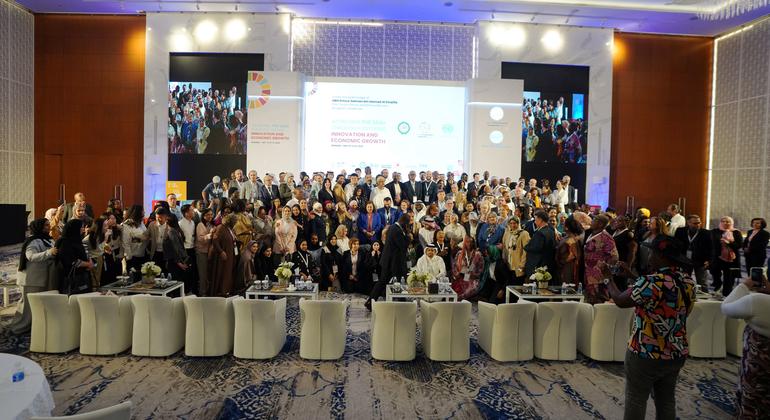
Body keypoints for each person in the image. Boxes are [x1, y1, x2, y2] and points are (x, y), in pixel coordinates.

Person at [602, 235, 695, 420]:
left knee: (636, 398)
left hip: (645, 351)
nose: (649, 255)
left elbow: (620, 301)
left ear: (660, 255)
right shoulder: (687, 281)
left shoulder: (652, 282)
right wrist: (632, 276)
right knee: (666, 399)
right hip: (676, 350)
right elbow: (673, 302)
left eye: (652, 251)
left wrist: (608, 279)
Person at [720, 273, 770, 418]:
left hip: (758, 374)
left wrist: (745, 285)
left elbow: (726, 307)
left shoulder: (758, 301)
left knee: (753, 407)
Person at [8, 219, 58, 334]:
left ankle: (31, 327)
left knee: (37, 305)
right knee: (27, 306)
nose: (48, 226)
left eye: (48, 224)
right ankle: (17, 328)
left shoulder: (47, 239)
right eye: (46, 225)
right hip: (30, 278)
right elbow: (30, 256)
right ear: (39, 227)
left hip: (41, 277)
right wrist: (49, 253)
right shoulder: (33, 241)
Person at [367, 214, 410, 310]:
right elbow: (403, 246)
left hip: (391, 261)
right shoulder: (397, 230)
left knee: (389, 281)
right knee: (392, 281)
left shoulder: (393, 228)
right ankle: (370, 301)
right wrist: (408, 236)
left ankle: (371, 301)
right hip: (392, 263)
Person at [583, 214, 619, 304]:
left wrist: (603, 267)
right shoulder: (591, 233)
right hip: (588, 271)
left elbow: (614, 256)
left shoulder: (606, 237)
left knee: (599, 299)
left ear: (600, 224)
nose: (592, 221)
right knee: (590, 298)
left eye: (595, 219)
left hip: (598, 274)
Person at [56, 219, 94, 295]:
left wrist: (90, 262)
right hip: (72, 278)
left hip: (82, 276)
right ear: (75, 228)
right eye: (81, 227)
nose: (83, 229)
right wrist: (88, 264)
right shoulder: (65, 242)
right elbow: (70, 261)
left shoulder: (77, 240)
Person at [673, 215, 711, 289]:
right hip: (684, 260)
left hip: (700, 260)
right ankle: (686, 296)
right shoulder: (680, 231)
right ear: (688, 223)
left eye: (699, 223)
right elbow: (675, 245)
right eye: (695, 223)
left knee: (702, 282)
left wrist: (709, 260)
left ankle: (704, 297)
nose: (698, 225)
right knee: (684, 281)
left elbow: (711, 248)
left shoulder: (706, 233)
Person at [710, 216, 743, 296]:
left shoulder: (736, 232)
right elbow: (712, 243)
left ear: (731, 223)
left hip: (731, 258)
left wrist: (728, 243)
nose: (725, 223)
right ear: (720, 222)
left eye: (728, 221)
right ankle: (717, 285)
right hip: (718, 257)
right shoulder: (715, 231)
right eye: (723, 221)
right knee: (714, 272)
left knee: (729, 277)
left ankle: (726, 294)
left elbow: (739, 245)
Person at [209, 214, 238, 296]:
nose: (236, 223)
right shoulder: (221, 228)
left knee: (228, 273)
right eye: (235, 221)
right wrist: (221, 251)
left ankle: (226, 290)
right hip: (223, 255)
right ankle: (222, 292)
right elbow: (215, 241)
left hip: (231, 254)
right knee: (224, 273)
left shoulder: (230, 229)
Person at [524, 210, 557, 278]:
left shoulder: (540, 233)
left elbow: (536, 248)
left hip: (539, 265)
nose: (535, 222)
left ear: (540, 220)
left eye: (535, 220)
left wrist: (526, 246)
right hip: (548, 263)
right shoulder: (551, 230)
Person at [163, 216, 190, 287]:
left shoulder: (171, 231)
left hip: (174, 260)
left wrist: (178, 262)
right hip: (177, 259)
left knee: (175, 284)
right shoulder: (176, 230)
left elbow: (176, 247)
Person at [556, 216, 583, 286]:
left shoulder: (571, 240)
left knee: (567, 286)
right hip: (564, 266)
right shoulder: (569, 237)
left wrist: (561, 262)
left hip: (568, 267)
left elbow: (572, 255)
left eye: (564, 224)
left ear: (566, 227)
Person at [121, 205, 147, 274]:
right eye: (142, 211)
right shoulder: (127, 224)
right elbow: (126, 242)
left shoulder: (140, 222)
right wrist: (129, 257)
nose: (144, 212)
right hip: (133, 256)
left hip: (142, 253)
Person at [195, 208, 215, 295]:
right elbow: (200, 239)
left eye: (211, 214)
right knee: (202, 273)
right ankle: (202, 292)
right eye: (208, 215)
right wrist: (210, 234)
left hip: (210, 252)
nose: (210, 216)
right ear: (203, 216)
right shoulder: (200, 225)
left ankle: (208, 291)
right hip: (201, 252)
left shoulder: (211, 224)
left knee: (209, 273)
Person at [178, 204, 197, 293]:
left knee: (192, 271)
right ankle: (184, 291)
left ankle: (190, 290)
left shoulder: (192, 222)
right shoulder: (180, 224)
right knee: (186, 272)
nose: (193, 212)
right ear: (186, 213)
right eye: (191, 210)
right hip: (185, 250)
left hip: (192, 248)